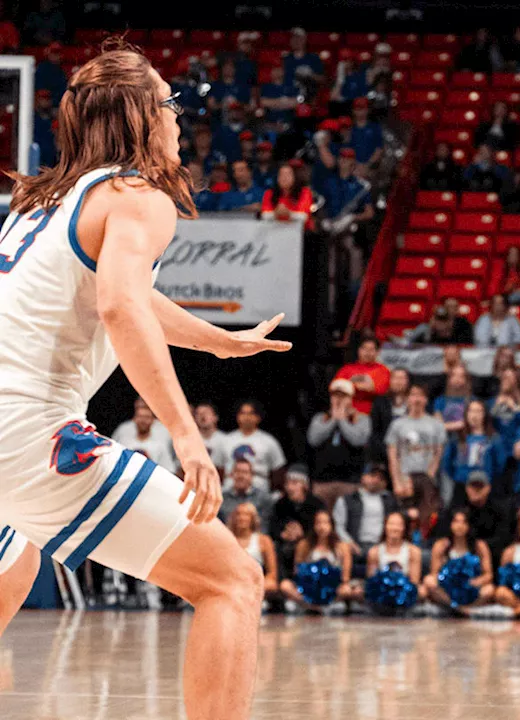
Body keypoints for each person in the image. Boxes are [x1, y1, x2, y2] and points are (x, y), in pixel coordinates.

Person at [0, 44, 292, 720]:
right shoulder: (137, 193)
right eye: (168, 100)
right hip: (28, 436)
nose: (178, 114)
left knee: (13, 567)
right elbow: (121, 307)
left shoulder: (37, 201)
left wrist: (219, 342)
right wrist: (189, 440)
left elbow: (126, 296)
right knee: (232, 581)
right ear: (140, 114)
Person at [279, 508, 358, 613]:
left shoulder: (342, 547)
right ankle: (311, 606)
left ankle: (328, 605)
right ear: (314, 525)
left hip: (331, 589)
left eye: (325, 523)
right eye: (318, 523)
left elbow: (345, 576)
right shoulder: (304, 545)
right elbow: (297, 571)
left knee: (346, 590)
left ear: (332, 525)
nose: (322, 527)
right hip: (308, 589)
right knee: (285, 585)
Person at [307, 378, 372, 503]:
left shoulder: (362, 419)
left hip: (350, 483)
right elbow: (313, 440)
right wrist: (333, 420)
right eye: (335, 395)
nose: (339, 399)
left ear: (351, 398)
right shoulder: (321, 418)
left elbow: (358, 440)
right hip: (322, 482)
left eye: (344, 396)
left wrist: (342, 420)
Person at [422, 509, 496, 614]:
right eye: (456, 521)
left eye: (464, 522)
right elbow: (434, 573)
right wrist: (447, 579)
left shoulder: (479, 546)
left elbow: (488, 574)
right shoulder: (441, 545)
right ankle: (456, 608)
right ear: (450, 524)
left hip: (471, 588)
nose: (459, 526)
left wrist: (477, 582)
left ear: (469, 525)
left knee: (489, 589)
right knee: (428, 581)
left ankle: (469, 609)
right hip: (448, 588)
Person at [384, 384, 446, 507]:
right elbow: (392, 455)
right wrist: (397, 482)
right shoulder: (397, 424)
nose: (417, 399)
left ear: (426, 399)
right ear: (407, 399)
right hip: (405, 478)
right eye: (413, 395)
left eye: (421, 395)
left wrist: (429, 478)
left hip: (427, 477)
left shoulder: (436, 425)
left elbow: (438, 453)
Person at [332, 467, 400, 560]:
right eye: (372, 476)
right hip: (355, 545)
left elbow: (399, 522)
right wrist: (349, 542)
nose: (376, 480)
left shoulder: (390, 500)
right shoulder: (346, 500)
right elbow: (338, 526)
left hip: (383, 546)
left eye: (380, 478)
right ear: (363, 477)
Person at [225, 400, 288, 490]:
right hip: (229, 492)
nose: (246, 417)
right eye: (243, 413)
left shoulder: (269, 441)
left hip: (259, 493)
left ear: (258, 417)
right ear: (237, 417)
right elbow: (218, 469)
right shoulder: (226, 440)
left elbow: (278, 471)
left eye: (251, 413)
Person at [111, 397, 179, 474]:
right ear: (135, 419)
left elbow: (168, 470)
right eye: (140, 417)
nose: (143, 421)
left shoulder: (159, 446)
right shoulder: (124, 442)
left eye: (146, 417)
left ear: (152, 420)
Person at [333, 337, 391, 416]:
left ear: (377, 352)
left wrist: (350, 385)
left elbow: (381, 390)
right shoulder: (347, 369)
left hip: (371, 414)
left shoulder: (382, 370)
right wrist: (362, 386)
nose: (367, 352)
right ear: (359, 350)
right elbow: (336, 387)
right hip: (345, 411)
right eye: (364, 348)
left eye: (371, 349)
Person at [220, 458, 274, 527]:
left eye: (245, 472)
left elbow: (265, 526)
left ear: (252, 475)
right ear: (231, 474)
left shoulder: (264, 499)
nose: (241, 476)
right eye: (237, 471)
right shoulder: (222, 498)